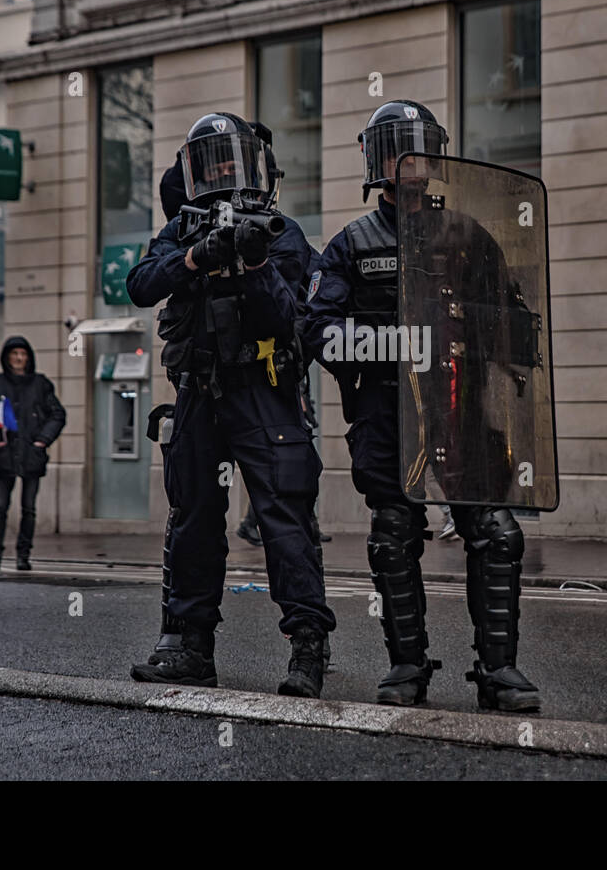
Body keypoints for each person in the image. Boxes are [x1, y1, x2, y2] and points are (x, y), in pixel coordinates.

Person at [302, 100, 544, 711]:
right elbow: (318, 329)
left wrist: (512, 334)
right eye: (400, 147)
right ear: (377, 160)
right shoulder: (350, 246)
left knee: (495, 531)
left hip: (463, 408)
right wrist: (375, 343)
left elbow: (510, 312)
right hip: (386, 411)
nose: (414, 159)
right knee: (393, 534)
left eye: (422, 147)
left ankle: (500, 670)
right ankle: (407, 667)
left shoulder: (466, 233)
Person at [127, 112, 334, 699]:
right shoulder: (181, 231)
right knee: (192, 518)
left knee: (285, 521)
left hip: (263, 393)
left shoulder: (281, 232)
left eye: (228, 159)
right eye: (208, 161)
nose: (220, 171)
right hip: (197, 393)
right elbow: (140, 284)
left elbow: (293, 320)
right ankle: (190, 647)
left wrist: (254, 261)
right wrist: (197, 256)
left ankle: (308, 649)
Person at [0, 337, 65, 571]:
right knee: (0, 507)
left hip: (31, 455)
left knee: (29, 508)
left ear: (28, 357)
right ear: (7, 357)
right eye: (14, 354)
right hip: (5, 455)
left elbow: (57, 414)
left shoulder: (40, 384)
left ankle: (23, 554)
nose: (18, 358)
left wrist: (42, 441)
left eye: (23, 354)